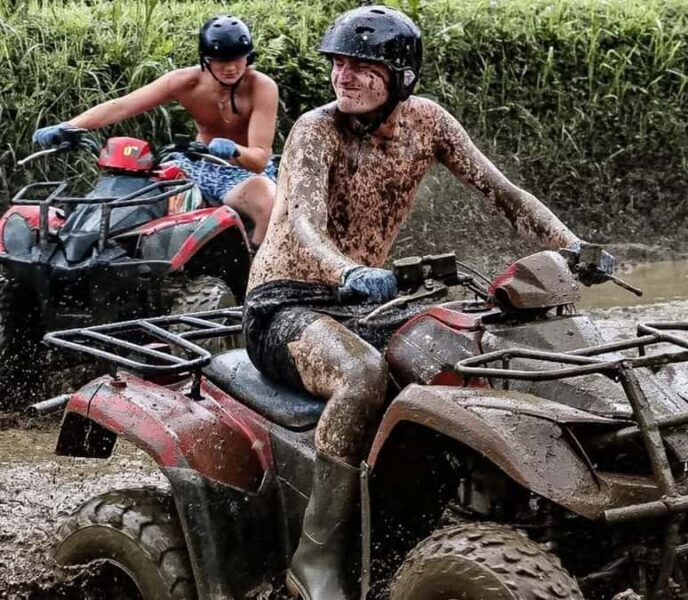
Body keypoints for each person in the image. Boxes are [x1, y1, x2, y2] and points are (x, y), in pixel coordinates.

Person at [244, 6, 616, 599]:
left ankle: (462, 509)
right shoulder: (316, 129)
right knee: (363, 376)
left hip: (363, 300)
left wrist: (574, 246)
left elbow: (504, 193)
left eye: (362, 67)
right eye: (338, 64)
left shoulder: (429, 124)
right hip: (286, 304)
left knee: (474, 349)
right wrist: (349, 272)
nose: (344, 77)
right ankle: (315, 559)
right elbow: (304, 226)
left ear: (401, 76)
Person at [32, 15, 278, 245]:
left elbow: (258, 159)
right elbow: (122, 106)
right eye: (222, 61)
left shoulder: (262, 87)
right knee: (132, 191)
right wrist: (70, 126)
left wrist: (233, 149)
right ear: (207, 61)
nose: (231, 68)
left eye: (238, 59)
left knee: (270, 201)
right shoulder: (185, 82)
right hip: (195, 164)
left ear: (249, 58)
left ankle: (257, 275)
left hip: (240, 172)